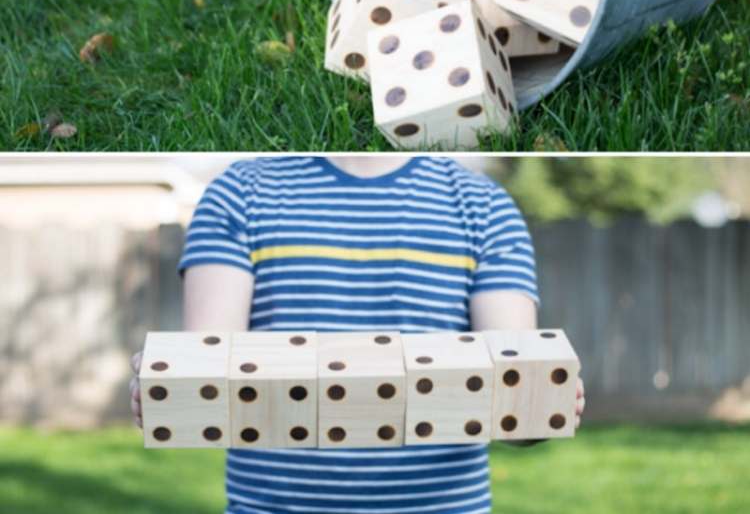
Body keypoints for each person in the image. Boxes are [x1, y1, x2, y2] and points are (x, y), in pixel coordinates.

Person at [130, 155, 585, 514]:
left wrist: (542, 400)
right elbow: (213, 369)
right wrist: (168, 385)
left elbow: (511, 390)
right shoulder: (239, 195)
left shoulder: (484, 205)